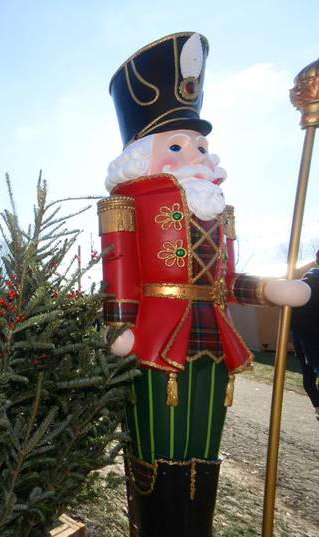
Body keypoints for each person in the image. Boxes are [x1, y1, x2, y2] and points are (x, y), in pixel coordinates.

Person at [99, 32, 311, 536]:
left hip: (213, 340)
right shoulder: (127, 203)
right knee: (159, 449)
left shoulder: (215, 209)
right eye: (178, 144)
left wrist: (268, 289)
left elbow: (223, 280)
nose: (197, 153)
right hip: (155, 341)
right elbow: (120, 267)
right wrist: (118, 326)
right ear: (141, 154)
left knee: (203, 449)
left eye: (200, 144)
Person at [291, 252, 319, 419]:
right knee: (309, 375)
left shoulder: (302, 283)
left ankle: (317, 406)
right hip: (309, 338)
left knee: (308, 377)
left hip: (301, 337)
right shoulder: (311, 283)